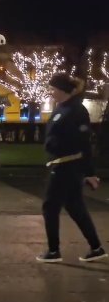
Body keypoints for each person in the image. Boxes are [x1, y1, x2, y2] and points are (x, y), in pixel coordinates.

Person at [37, 72, 107, 263]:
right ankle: (96, 247)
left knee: (50, 206)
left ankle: (53, 251)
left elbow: (85, 143)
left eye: (53, 89)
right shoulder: (62, 108)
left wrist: (89, 172)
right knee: (75, 207)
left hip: (66, 166)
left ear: (62, 90)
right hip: (60, 164)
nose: (51, 92)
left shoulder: (77, 110)